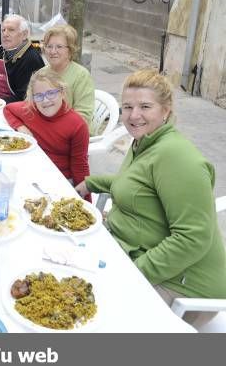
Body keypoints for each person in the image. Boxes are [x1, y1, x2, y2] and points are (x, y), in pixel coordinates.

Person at [75, 70, 226, 327]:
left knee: (85, 318)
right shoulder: (144, 142)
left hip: (183, 284)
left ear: (165, 110)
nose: (134, 115)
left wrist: (133, 272)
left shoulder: (176, 156)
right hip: (136, 253)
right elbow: (133, 186)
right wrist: (91, 182)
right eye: (127, 107)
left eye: (145, 106)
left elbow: (193, 238)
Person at [3, 68, 90, 197]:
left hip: (59, 180)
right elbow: (7, 109)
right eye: (38, 96)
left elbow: (79, 166)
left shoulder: (77, 125)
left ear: (62, 92)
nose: (45, 100)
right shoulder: (30, 109)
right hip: (32, 171)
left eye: (51, 93)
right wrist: (20, 126)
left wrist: (85, 201)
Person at [42, 24, 95, 127]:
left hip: (74, 133)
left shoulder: (81, 75)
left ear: (70, 50)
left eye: (59, 47)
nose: (53, 51)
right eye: (49, 46)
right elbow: (29, 106)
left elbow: (83, 116)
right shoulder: (41, 74)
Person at [0, 14, 45, 103]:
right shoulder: (5, 49)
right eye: (3, 30)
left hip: (9, 107)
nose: (5, 34)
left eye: (11, 30)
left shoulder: (30, 59)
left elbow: (24, 98)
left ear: (24, 35)